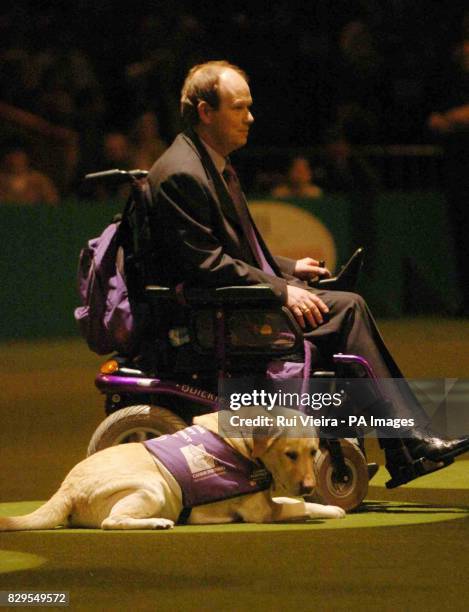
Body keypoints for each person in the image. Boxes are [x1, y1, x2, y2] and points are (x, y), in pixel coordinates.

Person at [148, 60, 469, 487]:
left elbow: (236, 252)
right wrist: (283, 292)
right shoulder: (182, 173)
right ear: (206, 112)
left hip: (237, 298)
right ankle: (407, 443)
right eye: (239, 108)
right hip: (218, 315)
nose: (250, 117)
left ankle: (402, 441)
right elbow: (205, 264)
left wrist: (288, 270)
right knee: (349, 309)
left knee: (337, 298)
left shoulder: (208, 162)